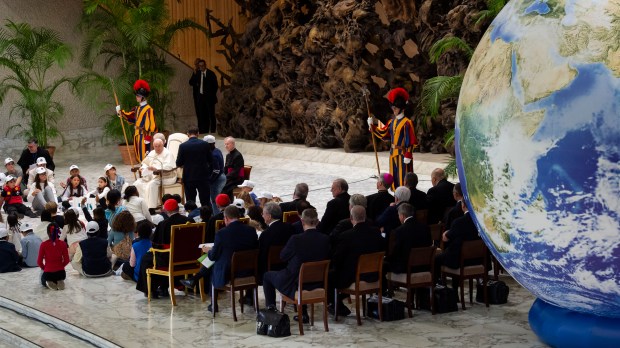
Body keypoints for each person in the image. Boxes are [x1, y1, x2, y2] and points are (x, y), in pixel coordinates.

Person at [180, 205, 257, 312]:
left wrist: (207, 250)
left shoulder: (222, 233)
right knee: (219, 258)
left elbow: (213, 256)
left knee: (213, 263)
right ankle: (194, 279)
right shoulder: (251, 231)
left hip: (229, 272)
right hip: (248, 270)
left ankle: (213, 304)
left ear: (226, 218)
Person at [262, 208, 330, 322]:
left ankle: (271, 311)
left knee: (267, 276)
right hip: (318, 282)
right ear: (317, 221)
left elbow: (283, 256)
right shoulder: (325, 239)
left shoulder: (296, 239)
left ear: (302, 221)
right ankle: (303, 314)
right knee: (300, 271)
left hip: (295, 283)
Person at [329, 205, 386, 316]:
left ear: (351, 218)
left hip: (354, 276)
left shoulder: (346, 236)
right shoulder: (375, 232)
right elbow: (383, 248)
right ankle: (338, 302)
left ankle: (335, 304)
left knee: (330, 275)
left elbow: (337, 258)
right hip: (374, 274)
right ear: (365, 217)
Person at [368, 87, 416, 189]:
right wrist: (372, 126)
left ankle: (405, 195)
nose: (393, 109)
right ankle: (396, 195)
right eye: (393, 107)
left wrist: (408, 153)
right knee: (395, 177)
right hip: (393, 153)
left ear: (402, 108)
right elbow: (384, 134)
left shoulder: (407, 122)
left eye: (396, 108)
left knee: (404, 177)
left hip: (403, 154)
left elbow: (410, 140)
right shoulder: (392, 122)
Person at [434, 200, 481, 284]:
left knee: (436, 259)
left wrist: (446, 233)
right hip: (477, 260)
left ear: (463, 206)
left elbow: (446, 238)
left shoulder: (459, 222)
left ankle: (440, 287)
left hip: (460, 260)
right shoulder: (480, 221)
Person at [117, 79, 158, 162]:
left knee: (146, 156)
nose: (136, 97)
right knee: (139, 156)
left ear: (143, 97)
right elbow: (131, 118)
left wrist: (147, 139)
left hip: (144, 135)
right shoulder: (137, 109)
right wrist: (121, 113)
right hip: (137, 135)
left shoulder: (149, 109)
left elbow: (151, 127)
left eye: (138, 96)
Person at [385, 203, 432, 273]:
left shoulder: (399, 231)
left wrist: (386, 258)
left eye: (398, 215)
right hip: (424, 267)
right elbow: (429, 243)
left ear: (402, 216)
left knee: (384, 265)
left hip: (406, 269)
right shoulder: (425, 227)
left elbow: (397, 252)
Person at [133, 138, 177, 209]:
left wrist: (156, 168)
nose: (157, 148)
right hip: (152, 176)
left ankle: (151, 207)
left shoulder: (167, 153)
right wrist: (143, 168)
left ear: (163, 145)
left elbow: (169, 166)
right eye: (155, 146)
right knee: (137, 183)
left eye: (159, 146)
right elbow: (145, 163)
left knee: (151, 185)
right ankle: (141, 205)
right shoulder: (152, 153)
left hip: (166, 176)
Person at [176, 126, 212, 207]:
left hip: (189, 177)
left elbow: (178, 163)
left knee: (190, 201)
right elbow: (210, 160)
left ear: (188, 134)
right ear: (198, 133)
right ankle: (206, 218)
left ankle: (192, 217)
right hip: (203, 177)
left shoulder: (183, 146)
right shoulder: (205, 144)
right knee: (205, 201)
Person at [189, 58, 218, 133]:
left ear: (205, 65)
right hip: (200, 98)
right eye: (199, 66)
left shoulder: (211, 74)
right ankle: (203, 131)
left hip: (209, 98)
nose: (201, 67)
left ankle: (213, 130)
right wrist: (194, 74)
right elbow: (191, 82)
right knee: (202, 115)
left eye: (202, 66)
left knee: (211, 115)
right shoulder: (197, 73)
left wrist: (211, 95)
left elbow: (215, 86)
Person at [38, 223, 70, 290]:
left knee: (42, 278)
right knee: (58, 275)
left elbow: (39, 262)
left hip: (48, 273)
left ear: (47, 232)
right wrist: (61, 266)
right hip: (61, 273)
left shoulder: (43, 245)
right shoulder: (63, 244)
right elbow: (67, 260)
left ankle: (49, 281)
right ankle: (59, 280)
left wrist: (45, 268)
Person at [203, 135, 225, 214]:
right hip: (220, 177)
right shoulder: (217, 150)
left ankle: (216, 217)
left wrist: (210, 180)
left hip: (217, 179)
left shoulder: (213, 155)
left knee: (215, 200)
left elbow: (216, 170)